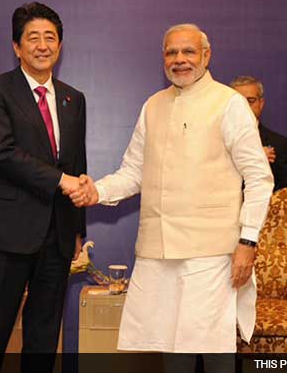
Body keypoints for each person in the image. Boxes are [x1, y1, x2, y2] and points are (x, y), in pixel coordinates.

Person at [70, 24, 273, 373]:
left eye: (188, 52)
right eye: (171, 52)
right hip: (158, 249)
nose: (179, 60)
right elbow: (133, 172)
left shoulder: (230, 103)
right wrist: (96, 191)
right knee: (170, 342)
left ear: (206, 56)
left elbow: (259, 177)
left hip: (211, 251)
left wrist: (247, 241)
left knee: (213, 346)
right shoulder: (153, 105)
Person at [0, 2, 86, 373]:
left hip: (57, 236)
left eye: (50, 37)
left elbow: (76, 164)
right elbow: (2, 153)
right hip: (7, 235)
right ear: (17, 46)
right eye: (33, 37)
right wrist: (61, 181)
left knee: (44, 338)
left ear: (60, 46)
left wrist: (77, 228)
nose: (42, 45)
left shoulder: (72, 98)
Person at [230, 76, 287, 191]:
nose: (245, 107)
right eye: (239, 102)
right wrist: (255, 157)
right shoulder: (216, 140)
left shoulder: (278, 143)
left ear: (261, 103)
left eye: (251, 101)